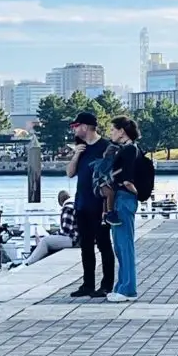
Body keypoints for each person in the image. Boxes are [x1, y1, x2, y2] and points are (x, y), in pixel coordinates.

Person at [103, 116, 156, 302]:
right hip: (124, 198)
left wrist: (133, 192)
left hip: (124, 199)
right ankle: (121, 286)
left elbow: (127, 180)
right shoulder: (132, 149)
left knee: (124, 245)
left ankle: (128, 289)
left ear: (121, 131)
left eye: (113, 129)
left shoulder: (128, 150)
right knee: (120, 245)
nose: (111, 133)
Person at [66, 111, 117, 299]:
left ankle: (106, 285)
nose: (74, 129)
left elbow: (112, 177)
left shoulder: (106, 147)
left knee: (104, 244)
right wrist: (76, 155)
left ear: (85, 127)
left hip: (100, 205)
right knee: (86, 246)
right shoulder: (81, 148)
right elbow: (70, 173)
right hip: (81, 204)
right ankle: (87, 284)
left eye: (76, 126)